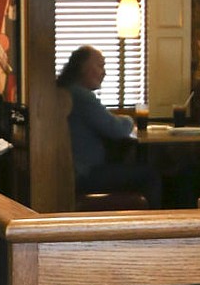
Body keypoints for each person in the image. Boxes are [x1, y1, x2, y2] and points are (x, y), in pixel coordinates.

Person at [58, 45, 161, 204]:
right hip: (84, 175)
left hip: (71, 173)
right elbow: (116, 129)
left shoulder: (66, 91)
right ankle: (154, 226)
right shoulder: (81, 96)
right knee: (150, 175)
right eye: (100, 66)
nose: (104, 72)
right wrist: (129, 119)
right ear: (82, 68)